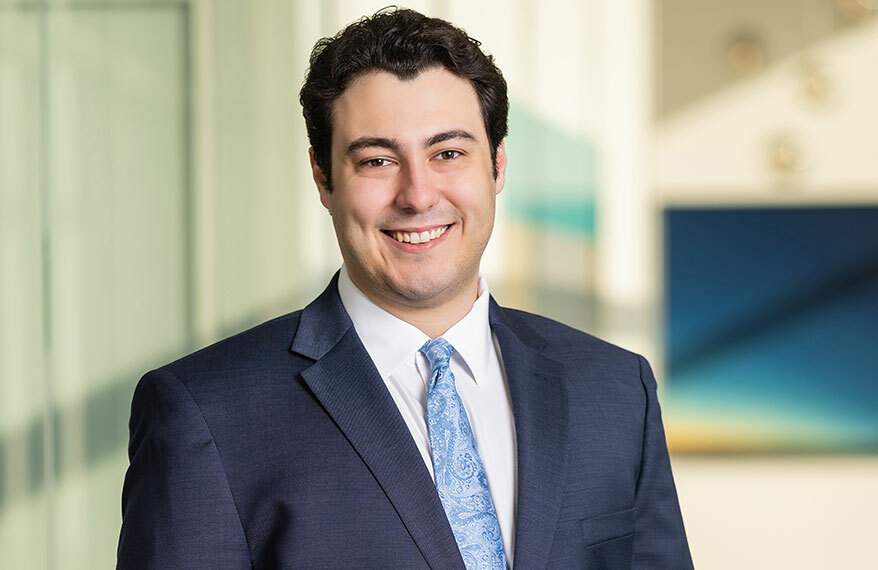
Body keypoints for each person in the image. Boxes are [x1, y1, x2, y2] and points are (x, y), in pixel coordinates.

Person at [117, 8, 692, 569]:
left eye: (449, 153)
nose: (417, 195)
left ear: (497, 165)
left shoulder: (616, 391)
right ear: (323, 177)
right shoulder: (205, 414)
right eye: (377, 160)